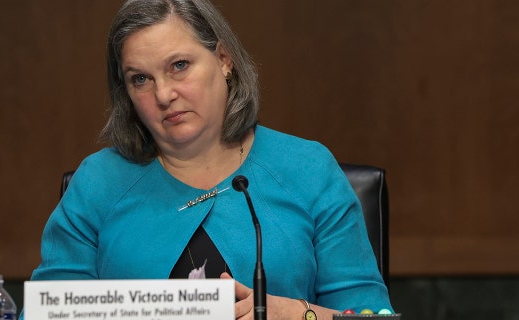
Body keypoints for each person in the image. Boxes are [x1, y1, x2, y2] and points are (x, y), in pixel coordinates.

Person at [25, 0, 392, 319]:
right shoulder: (99, 184)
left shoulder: (307, 169)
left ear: (223, 59)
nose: (164, 94)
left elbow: (373, 317)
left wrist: (299, 314)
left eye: (179, 65)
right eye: (140, 79)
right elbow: (43, 313)